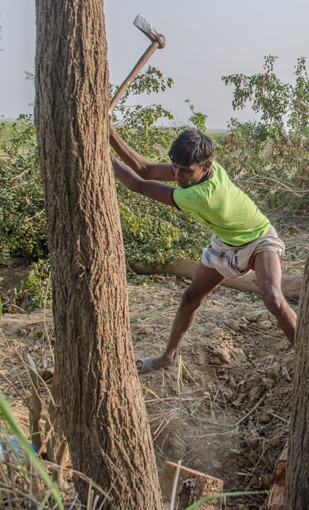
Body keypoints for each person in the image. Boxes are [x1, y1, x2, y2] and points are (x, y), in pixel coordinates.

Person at [109, 126, 297, 374]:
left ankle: (305, 354)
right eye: (174, 166)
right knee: (190, 299)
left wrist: (102, 151)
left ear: (207, 166)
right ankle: (167, 357)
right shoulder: (195, 169)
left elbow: (138, 184)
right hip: (225, 242)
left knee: (273, 298)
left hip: (258, 239)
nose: (177, 175)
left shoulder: (203, 195)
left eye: (186, 171)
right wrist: (107, 130)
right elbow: (145, 169)